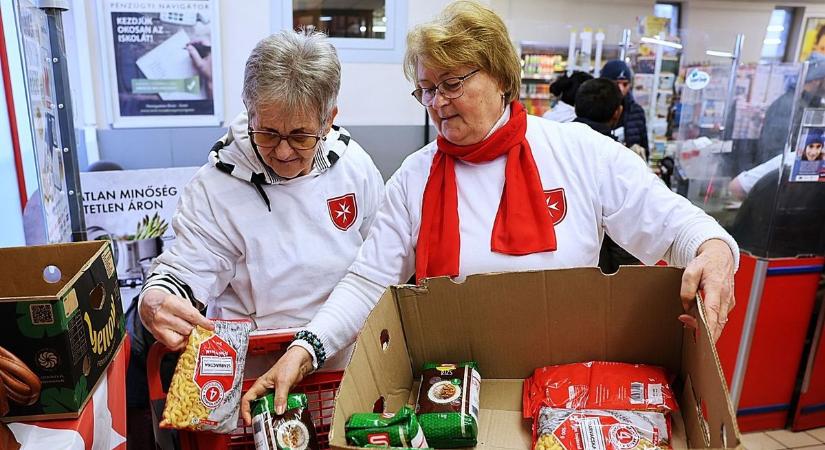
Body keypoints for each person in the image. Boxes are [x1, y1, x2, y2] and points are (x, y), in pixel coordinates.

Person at [241, 1, 739, 420]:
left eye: (452, 84)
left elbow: (673, 222)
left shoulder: (578, 151)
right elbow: (368, 281)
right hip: (453, 398)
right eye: (427, 89)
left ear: (501, 75)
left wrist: (714, 249)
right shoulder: (414, 179)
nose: (436, 103)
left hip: (563, 394)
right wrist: (306, 349)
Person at [137, 29, 384, 365]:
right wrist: (157, 298)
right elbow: (188, 267)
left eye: (300, 136)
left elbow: (379, 262)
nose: (282, 153)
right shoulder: (216, 186)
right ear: (249, 110)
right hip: (253, 363)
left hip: (343, 357)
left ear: (329, 121)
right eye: (267, 132)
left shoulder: (355, 168)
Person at [573, 78, 643, 274]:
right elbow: (626, 237)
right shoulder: (617, 159)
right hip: (598, 274)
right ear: (617, 113)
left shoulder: (552, 146)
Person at [601, 59, 649, 158]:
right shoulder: (595, 109)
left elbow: (645, 149)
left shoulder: (636, 111)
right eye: (616, 83)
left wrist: (638, 153)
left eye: (625, 84)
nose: (621, 89)